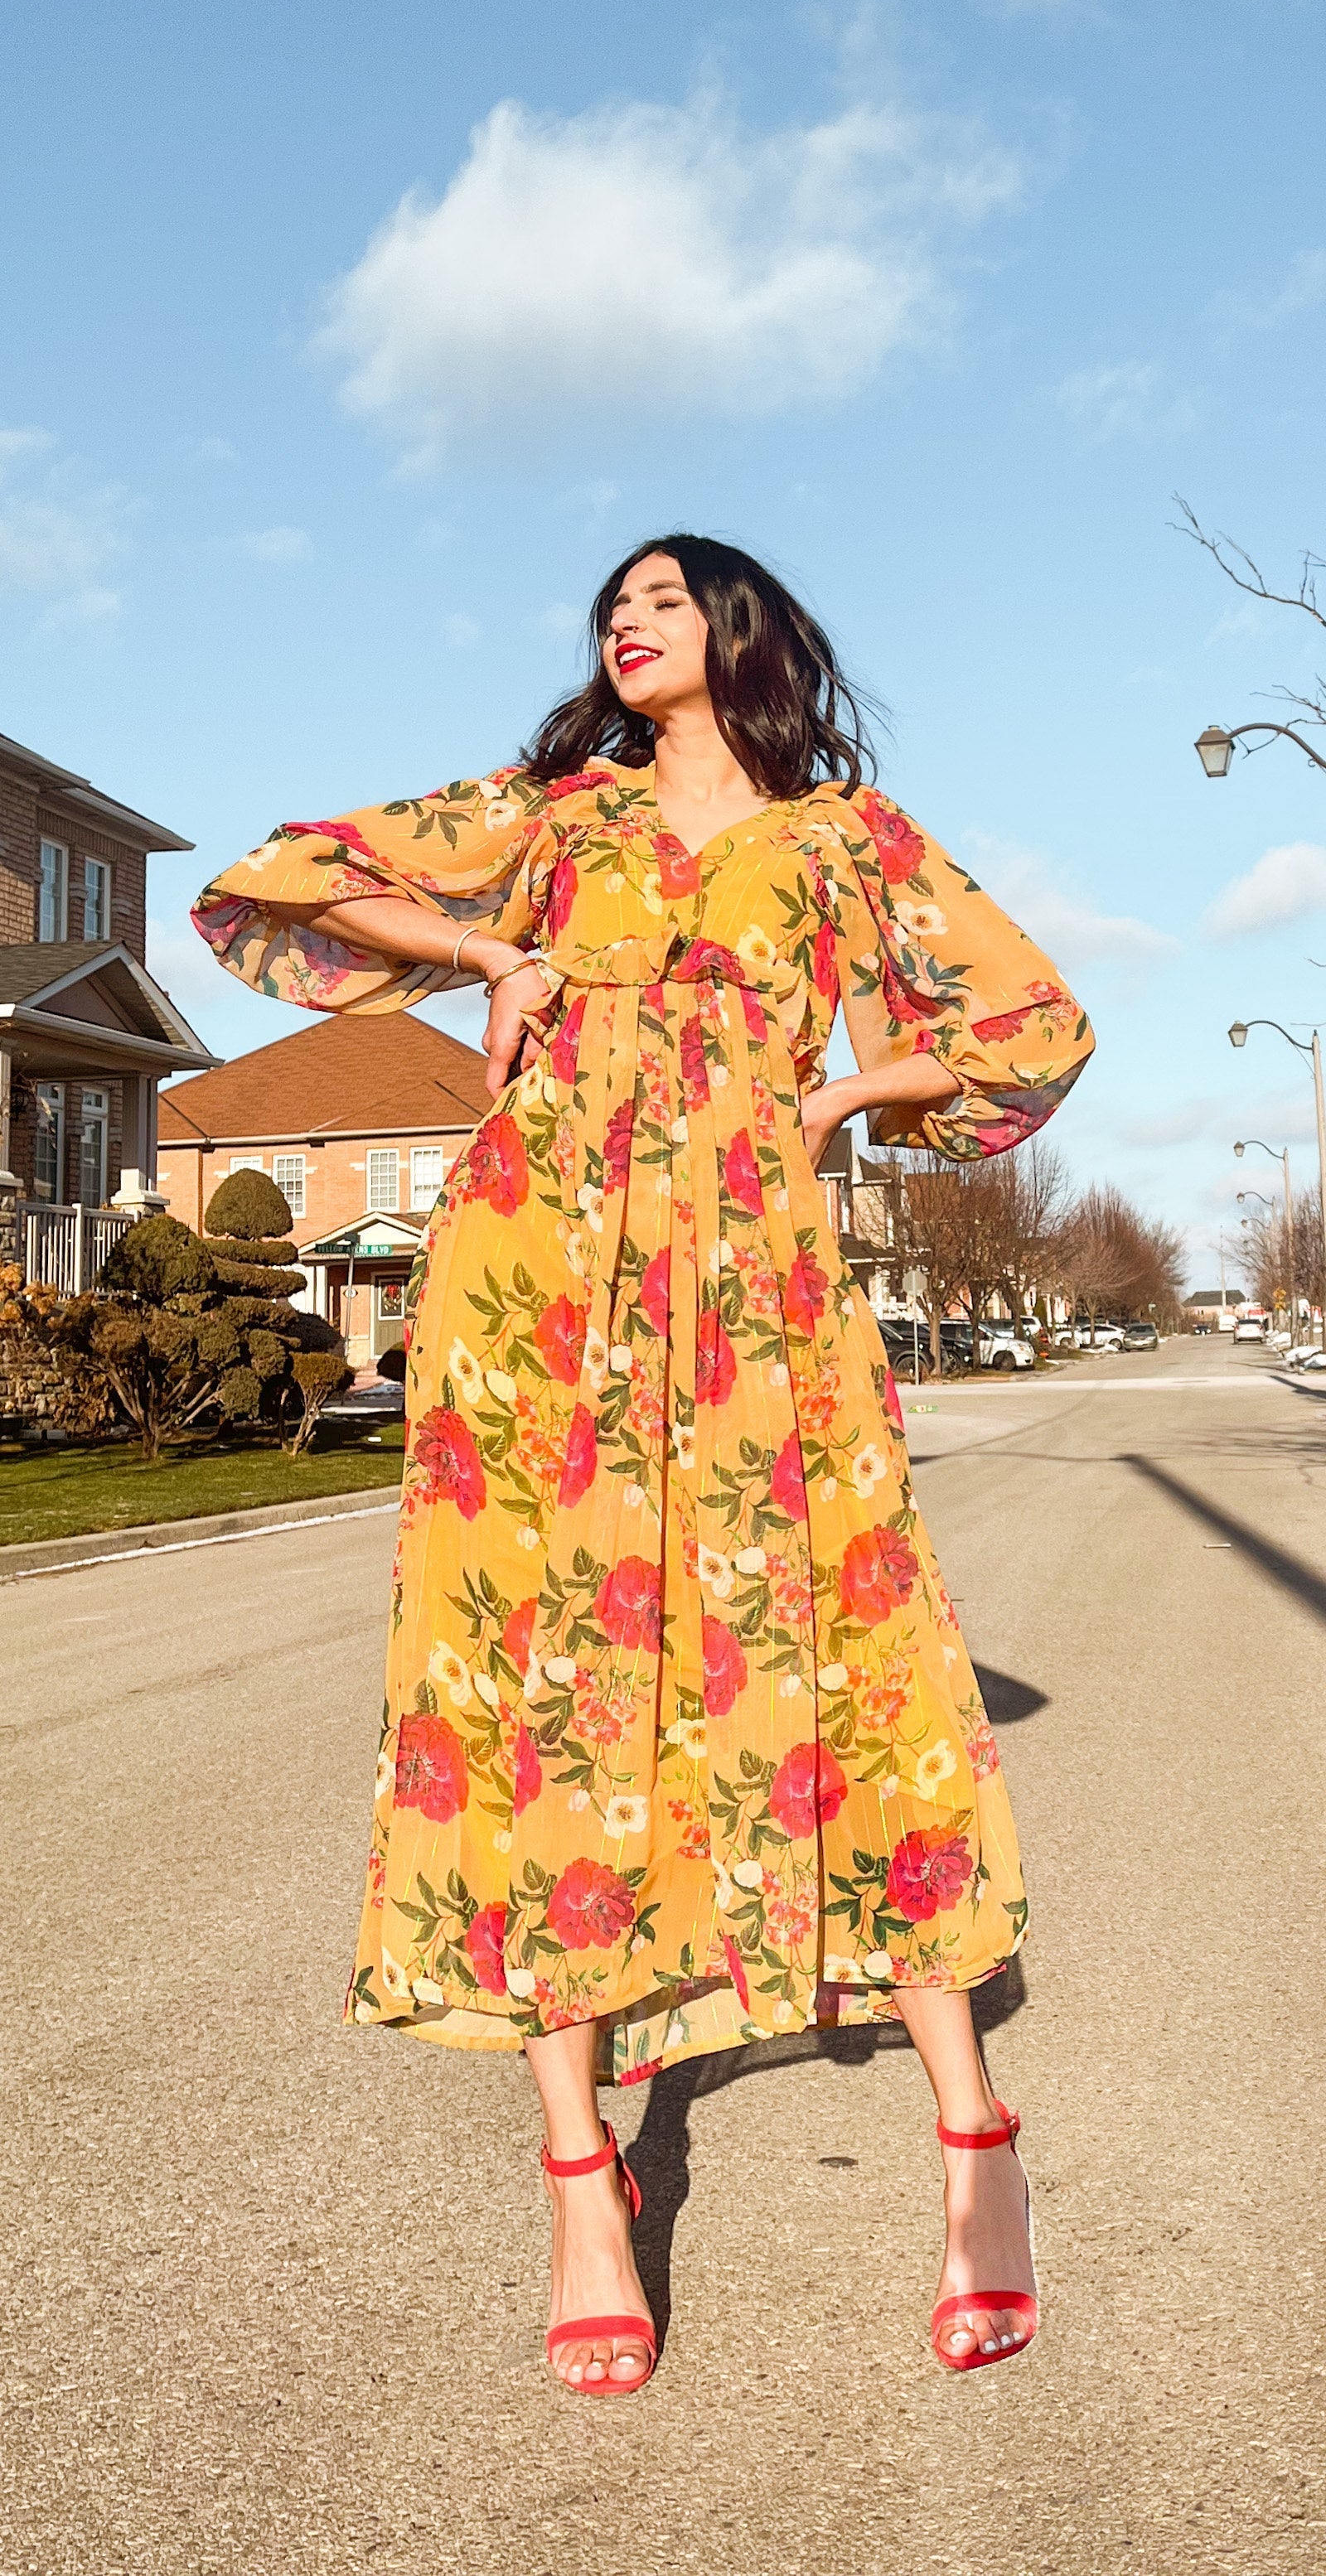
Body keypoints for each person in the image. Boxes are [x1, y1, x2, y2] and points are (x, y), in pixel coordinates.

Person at [194, 537, 1093, 2393]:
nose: (629, 620)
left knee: (853, 1657)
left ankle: (971, 2133)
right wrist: (481, 952)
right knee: (532, 1678)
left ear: (740, 631)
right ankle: (579, 2174)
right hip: (534, 1272)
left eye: (668, 597)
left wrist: (852, 1090)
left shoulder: (844, 837)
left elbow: (1027, 1025)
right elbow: (270, 885)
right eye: (614, 603)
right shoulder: (549, 816)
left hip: (755, 1276)